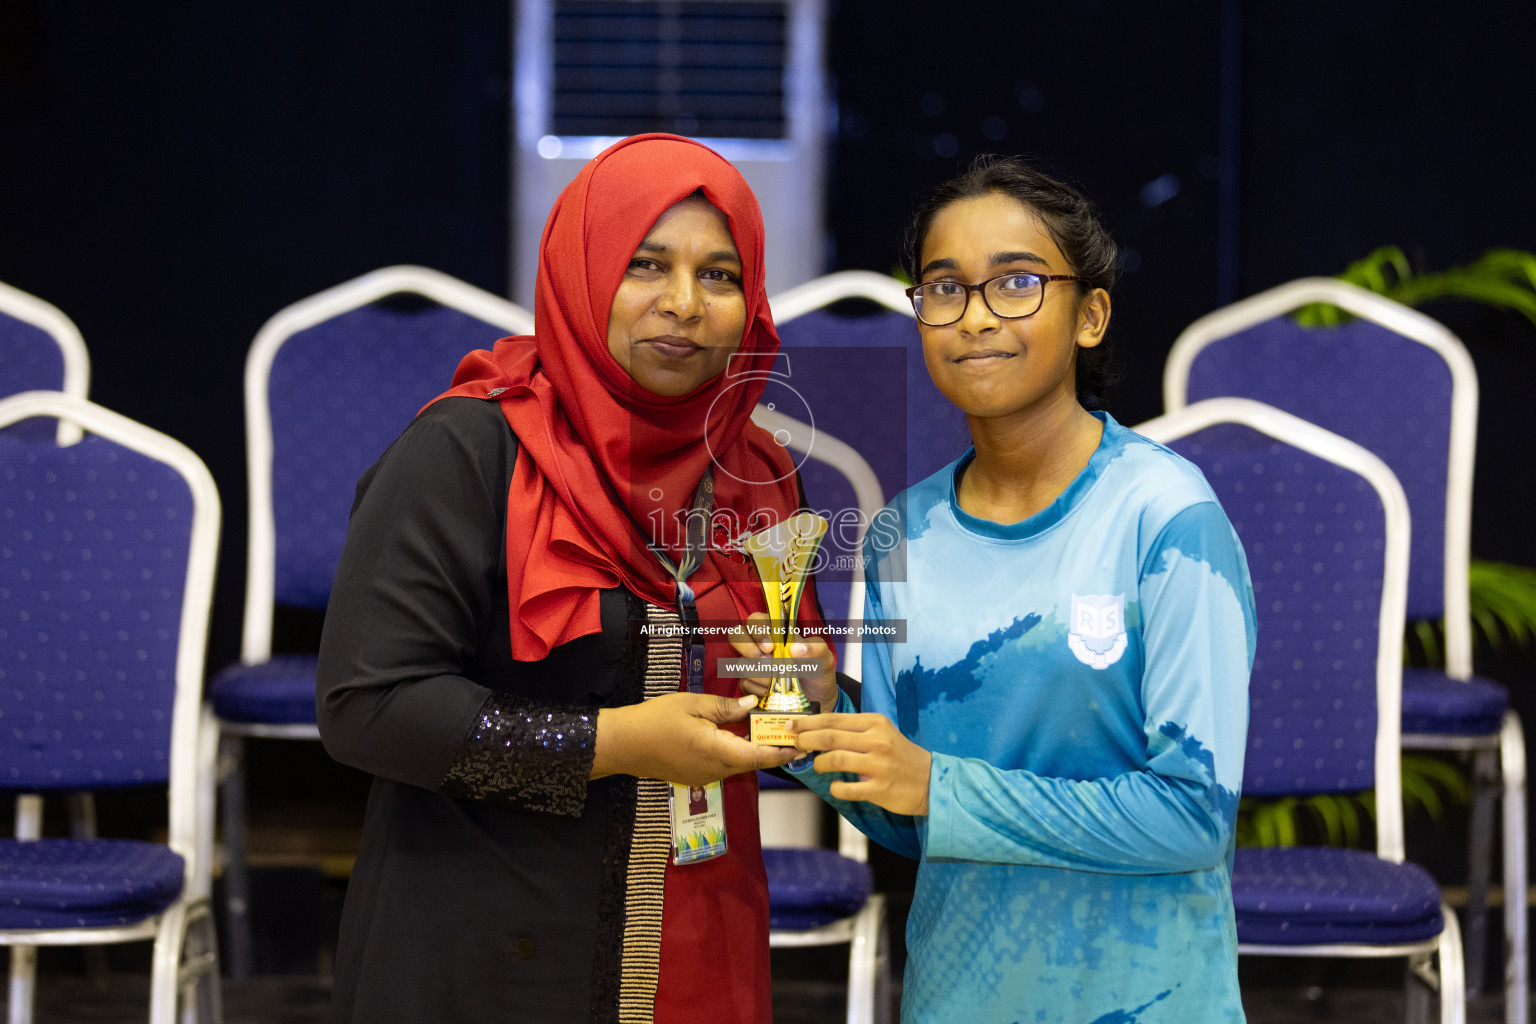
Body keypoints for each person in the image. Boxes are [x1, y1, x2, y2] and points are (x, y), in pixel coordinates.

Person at [317, 134, 828, 1024]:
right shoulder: (469, 452)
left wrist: (810, 693)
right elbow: (369, 706)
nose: (683, 304)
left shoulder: (761, 471)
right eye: (646, 265)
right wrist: (617, 743)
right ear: (582, 271)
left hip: (704, 937)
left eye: (719, 275)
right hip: (483, 952)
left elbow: (782, 683)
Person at [769, 156, 1256, 1022]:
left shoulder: (1167, 516)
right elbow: (908, 817)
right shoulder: (900, 538)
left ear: (1091, 315)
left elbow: (1191, 818)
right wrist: (811, 718)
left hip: (1146, 999)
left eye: (1017, 283)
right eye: (944, 288)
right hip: (958, 995)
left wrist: (939, 787)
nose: (976, 317)